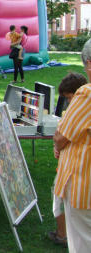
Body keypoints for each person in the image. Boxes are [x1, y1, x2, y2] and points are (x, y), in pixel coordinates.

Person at [53, 38, 91, 252]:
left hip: (83, 185)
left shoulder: (86, 94)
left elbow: (61, 137)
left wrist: (58, 139)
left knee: (82, 243)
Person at [48, 72, 87, 247]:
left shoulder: (84, 101)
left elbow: (61, 138)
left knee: (81, 235)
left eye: (70, 98)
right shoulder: (75, 109)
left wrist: (58, 144)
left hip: (78, 175)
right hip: (69, 169)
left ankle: (63, 234)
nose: (69, 102)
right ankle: (62, 232)